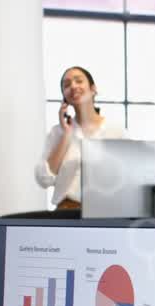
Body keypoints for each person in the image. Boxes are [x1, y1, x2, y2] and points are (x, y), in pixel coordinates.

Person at [34, 66, 125, 211]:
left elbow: (126, 177)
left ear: (93, 89)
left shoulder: (116, 132)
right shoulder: (58, 132)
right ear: (65, 97)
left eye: (78, 81)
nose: (73, 86)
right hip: (66, 211)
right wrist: (67, 135)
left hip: (105, 211)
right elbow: (43, 178)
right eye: (67, 85)